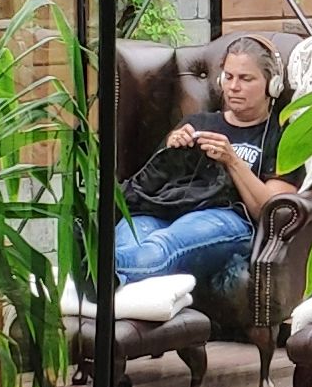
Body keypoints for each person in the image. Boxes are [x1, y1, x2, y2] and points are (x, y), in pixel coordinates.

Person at [112, 36, 288, 294]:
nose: (234, 87)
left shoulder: (279, 136)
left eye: (246, 79)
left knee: (162, 245)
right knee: (126, 243)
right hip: (162, 209)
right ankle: (104, 278)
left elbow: (273, 212)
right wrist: (171, 147)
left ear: (272, 85)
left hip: (223, 216)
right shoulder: (197, 122)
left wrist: (232, 160)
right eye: (228, 77)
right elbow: (150, 184)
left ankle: (94, 274)